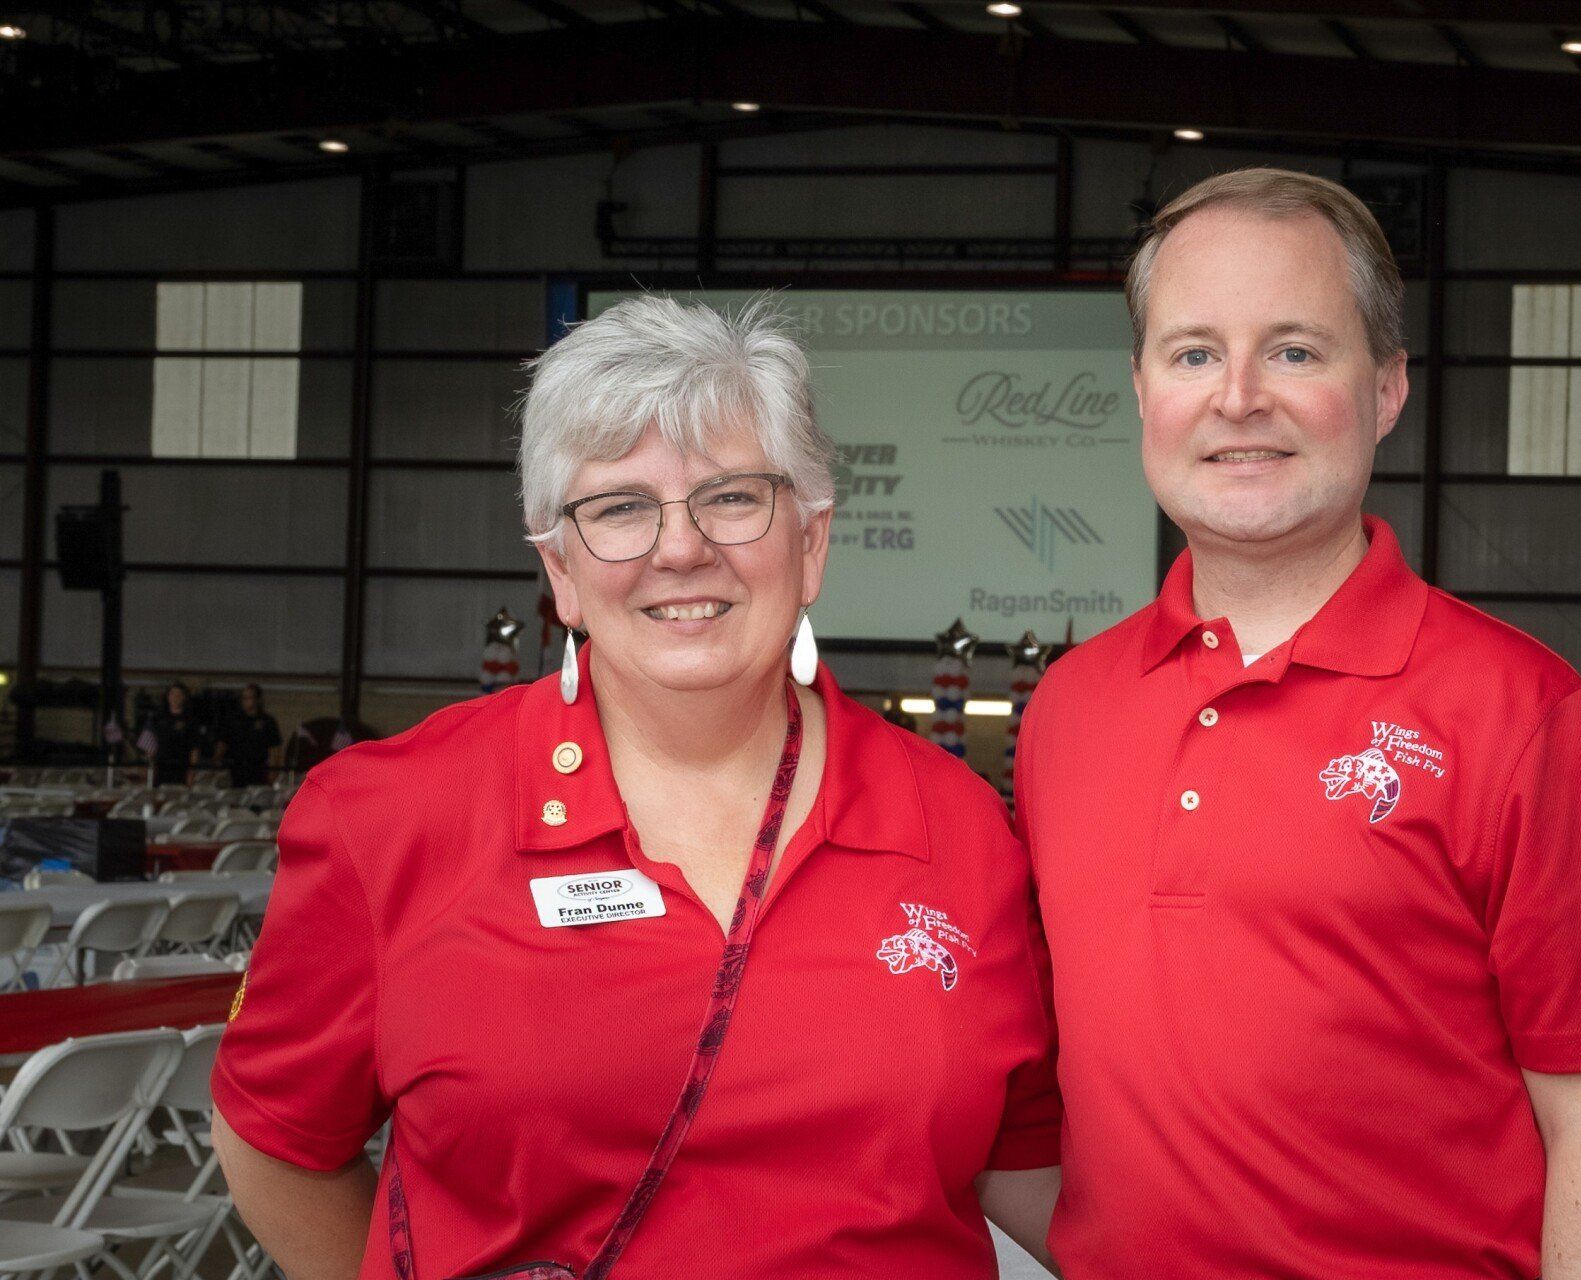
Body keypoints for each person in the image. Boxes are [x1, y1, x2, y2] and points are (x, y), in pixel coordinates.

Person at [211, 297, 1060, 1280]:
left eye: (733, 496)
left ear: (812, 541)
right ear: (560, 571)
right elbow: (274, 1136)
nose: (681, 547)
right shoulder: (390, 816)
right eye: (619, 507)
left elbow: (1030, 1163)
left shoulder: (963, 831)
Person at [1014, 169, 1581, 1280]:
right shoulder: (1069, 711)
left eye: (1293, 350)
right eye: (1192, 353)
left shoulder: (1518, 710)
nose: (1238, 396)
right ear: (1141, 392)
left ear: (1385, 389)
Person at [216, 683, 283, 788]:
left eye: (249, 698)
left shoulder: (267, 721)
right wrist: (217, 761)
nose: (245, 701)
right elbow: (222, 744)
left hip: (259, 769)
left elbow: (275, 748)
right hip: (237, 769)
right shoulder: (233, 720)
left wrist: (273, 771)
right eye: (244, 698)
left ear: (258, 700)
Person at [140, 680, 205, 786]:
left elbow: (195, 749)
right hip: (160, 767)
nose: (175, 697)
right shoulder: (157, 718)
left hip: (182, 767)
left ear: (184, 697)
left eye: (179, 695)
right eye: (172, 694)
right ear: (168, 696)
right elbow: (150, 747)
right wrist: (147, 767)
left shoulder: (191, 721)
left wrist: (191, 771)